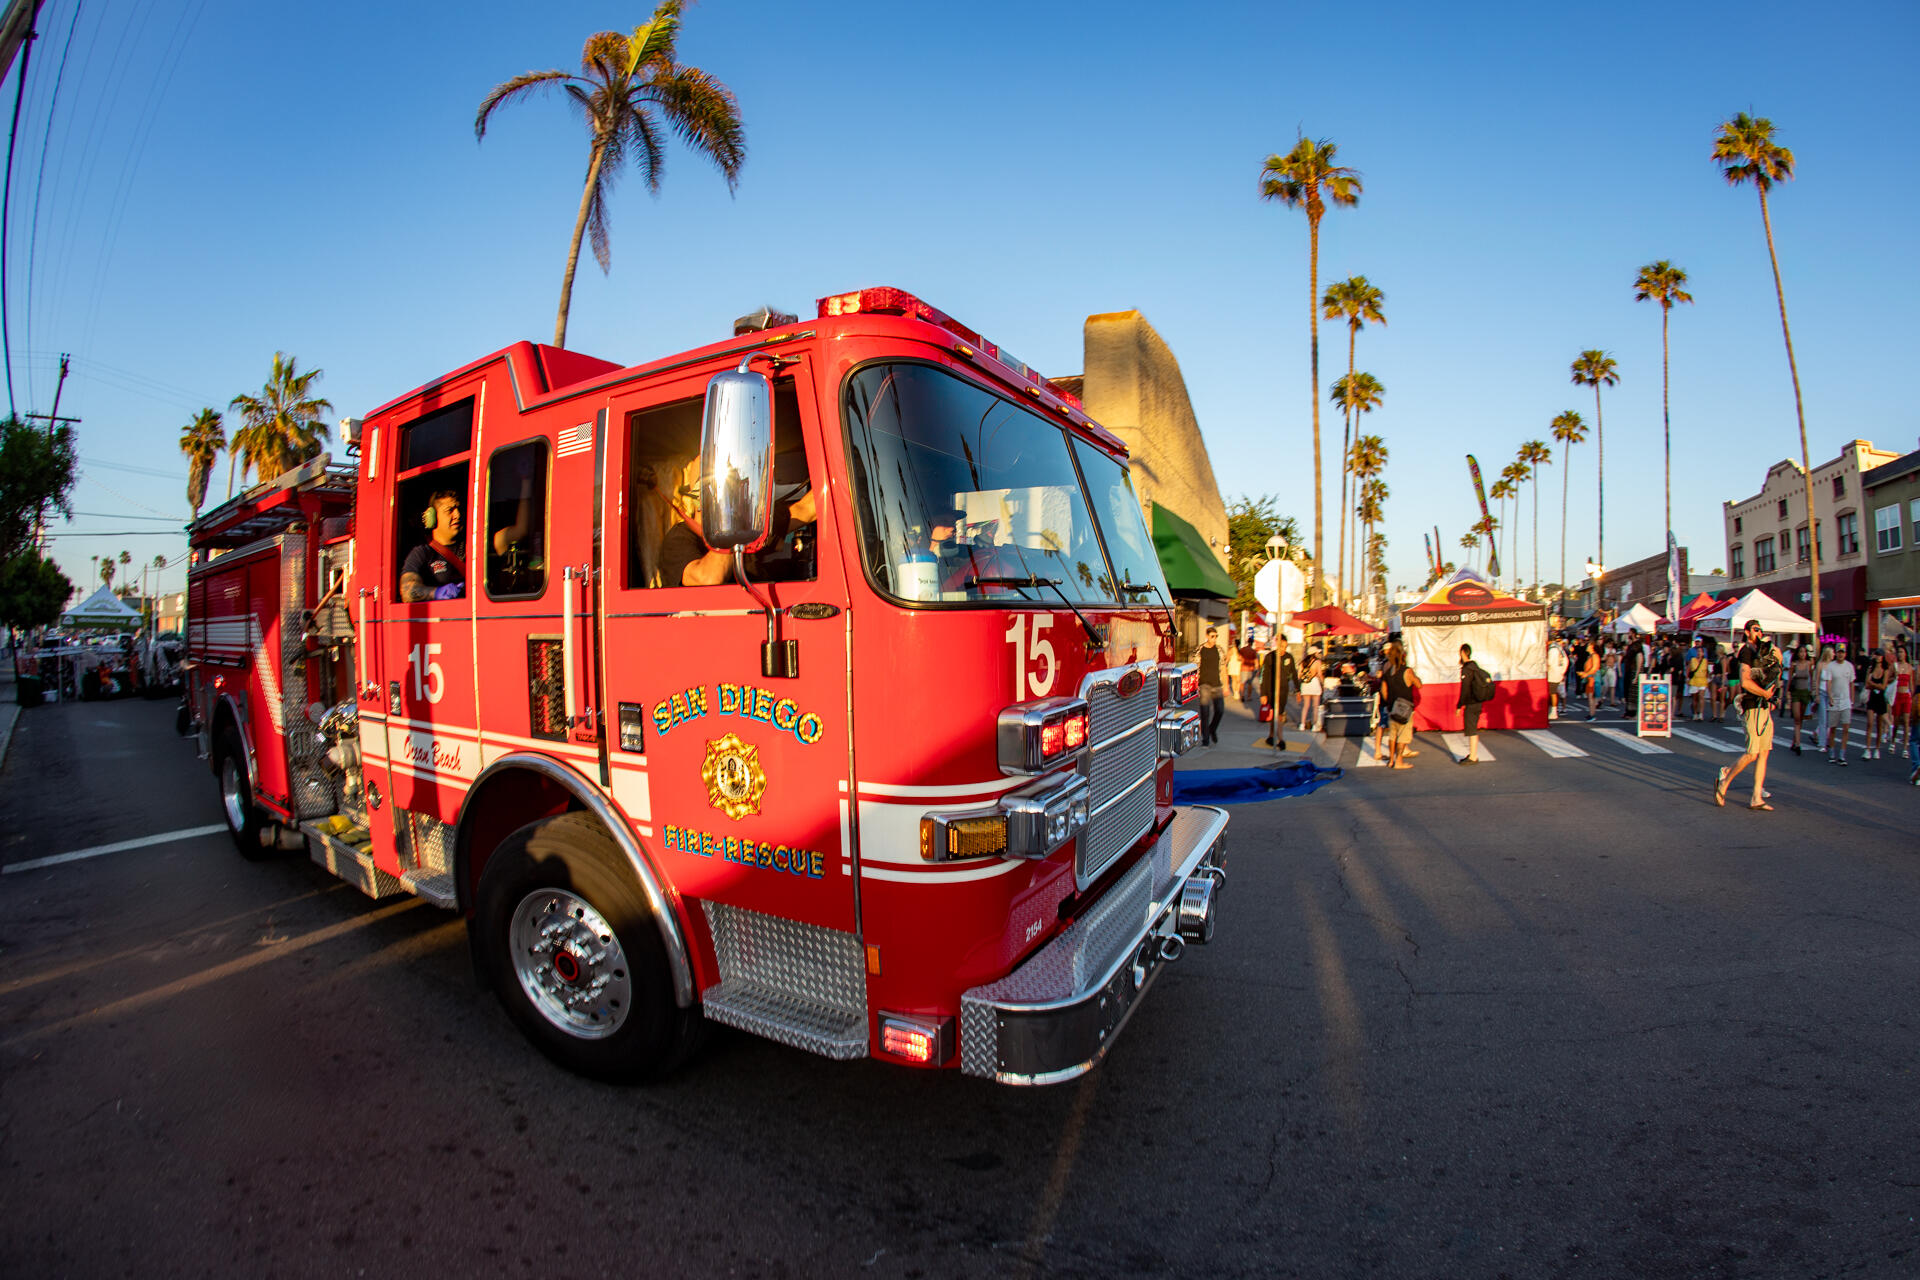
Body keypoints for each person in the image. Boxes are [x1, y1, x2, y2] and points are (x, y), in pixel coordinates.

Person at [661, 477, 818, 588]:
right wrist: (730, 521)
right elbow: (708, 578)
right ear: (701, 502)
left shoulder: (747, 524)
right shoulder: (679, 537)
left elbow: (805, 510)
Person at [1715, 618, 1780, 811]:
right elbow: (1745, 681)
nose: (1759, 632)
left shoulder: (1763, 652)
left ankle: (1756, 797)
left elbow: (1775, 671)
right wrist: (1765, 694)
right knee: (1752, 753)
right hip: (1752, 706)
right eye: (1755, 629)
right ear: (1747, 631)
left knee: (1764, 752)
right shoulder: (1746, 651)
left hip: (1764, 707)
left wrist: (1771, 697)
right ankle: (1725, 779)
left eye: (1761, 629)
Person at [400, 490, 466, 602]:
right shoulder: (422, 552)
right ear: (433, 518)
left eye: (458, 509)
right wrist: (435, 593)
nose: (457, 515)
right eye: (449, 510)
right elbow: (407, 591)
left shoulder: (473, 544)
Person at [1379, 641, 1422, 769]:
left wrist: (1390, 702)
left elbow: (1383, 690)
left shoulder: (1387, 673)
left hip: (1392, 708)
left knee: (1392, 735)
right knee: (1403, 736)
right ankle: (1399, 761)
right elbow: (1419, 685)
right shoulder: (1407, 671)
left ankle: (1391, 760)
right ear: (1402, 656)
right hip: (1405, 709)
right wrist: (1415, 679)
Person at [1820, 642, 1856, 765]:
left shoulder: (1849, 666)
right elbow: (1828, 682)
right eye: (1839, 652)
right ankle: (1832, 752)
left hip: (1845, 701)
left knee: (1846, 728)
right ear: (1836, 653)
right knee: (1833, 727)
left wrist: (1852, 699)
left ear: (1845, 653)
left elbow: (1851, 683)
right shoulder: (1831, 666)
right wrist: (1829, 696)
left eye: (1843, 652)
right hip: (1834, 700)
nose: (1841, 654)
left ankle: (1842, 754)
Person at [1456, 643, 1492, 764]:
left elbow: (1464, 689)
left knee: (1471, 730)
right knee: (1473, 729)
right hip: (1478, 702)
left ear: (1463, 653)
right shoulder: (1475, 667)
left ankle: (1473, 756)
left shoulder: (1467, 669)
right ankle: (1472, 754)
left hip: (1471, 703)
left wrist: (1459, 705)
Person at [1262, 642, 1297, 748]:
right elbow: (1264, 675)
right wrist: (1263, 693)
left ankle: (1271, 735)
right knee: (1277, 714)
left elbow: (1294, 672)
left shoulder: (1288, 657)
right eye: (1281, 646)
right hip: (1271, 689)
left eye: (1285, 647)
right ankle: (1280, 738)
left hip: (1283, 689)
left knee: (1278, 714)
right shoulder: (1270, 657)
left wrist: (1298, 688)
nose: (1283, 649)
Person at [1195, 626, 1225, 747]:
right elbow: (1195, 667)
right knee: (1205, 712)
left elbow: (1223, 667)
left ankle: (1212, 728)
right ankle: (1205, 739)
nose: (1214, 639)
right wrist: (1195, 685)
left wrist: (1226, 685)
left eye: (1216, 636)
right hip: (1204, 684)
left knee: (1220, 710)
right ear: (1207, 636)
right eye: (1212, 636)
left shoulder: (1219, 650)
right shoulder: (1200, 650)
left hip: (1217, 684)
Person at [1786, 643, 1814, 754]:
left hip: (1805, 693)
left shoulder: (1809, 663)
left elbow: (1812, 679)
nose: (1802, 654)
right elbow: (1789, 679)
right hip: (1795, 693)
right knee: (1797, 718)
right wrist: (1788, 694)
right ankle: (1798, 744)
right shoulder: (1794, 664)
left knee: (1801, 719)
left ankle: (1794, 741)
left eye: (1804, 652)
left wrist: (1813, 691)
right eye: (1801, 652)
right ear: (1797, 653)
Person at [1862, 649, 1890, 761]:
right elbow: (1866, 685)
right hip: (1872, 698)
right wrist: (1875, 685)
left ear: (1883, 657)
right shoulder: (1870, 669)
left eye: (1880, 655)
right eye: (1876, 655)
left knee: (1879, 725)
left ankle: (1877, 749)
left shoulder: (1885, 670)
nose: (1878, 657)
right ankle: (1867, 749)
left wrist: (1873, 684)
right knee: (1869, 723)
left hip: (1880, 698)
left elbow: (1883, 686)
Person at [1890, 639, 1914, 761]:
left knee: (1906, 722)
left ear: (1905, 654)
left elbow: (1911, 684)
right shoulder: (1894, 666)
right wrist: (1894, 677)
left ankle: (1905, 747)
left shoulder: (1909, 667)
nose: (1900, 654)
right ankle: (1893, 741)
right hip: (1897, 696)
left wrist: (1913, 697)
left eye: (1902, 652)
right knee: (1897, 722)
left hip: (1906, 696)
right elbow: (1888, 680)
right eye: (1898, 652)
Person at [1684, 637, 1711, 721]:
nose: (1699, 653)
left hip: (1702, 680)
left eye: (1700, 652)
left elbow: (1707, 670)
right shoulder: (1692, 659)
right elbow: (1688, 668)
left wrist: (1708, 678)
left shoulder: (1705, 660)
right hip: (1694, 680)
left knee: (1701, 697)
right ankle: (1695, 713)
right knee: (1695, 698)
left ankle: (1701, 714)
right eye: (1698, 652)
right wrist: (1687, 678)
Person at [1298, 650, 1324, 732]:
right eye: (1317, 652)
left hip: (1305, 685)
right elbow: (1319, 674)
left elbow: (1299, 676)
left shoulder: (1302, 662)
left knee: (1305, 706)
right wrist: (1323, 683)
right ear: (1314, 653)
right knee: (1315, 706)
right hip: (1314, 684)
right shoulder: (1317, 662)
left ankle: (1302, 724)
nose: (1318, 653)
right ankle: (1314, 725)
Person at [1545, 637, 1569, 721]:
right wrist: (1562, 671)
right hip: (1558, 673)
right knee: (1555, 692)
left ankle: (1553, 711)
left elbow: (1549, 663)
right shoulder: (1559, 648)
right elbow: (1566, 661)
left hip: (1553, 673)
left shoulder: (1552, 649)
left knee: (1552, 693)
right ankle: (1554, 710)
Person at [1579, 639, 1601, 720]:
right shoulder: (1591, 656)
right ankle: (1591, 713)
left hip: (1593, 678)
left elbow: (1594, 668)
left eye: (1588, 645)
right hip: (1589, 677)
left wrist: (1586, 674)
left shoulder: (1594, 655)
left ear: (1592, 646)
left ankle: (1592, 714)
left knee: (1592, 697)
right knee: (1590, 697)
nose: (1587, 647)